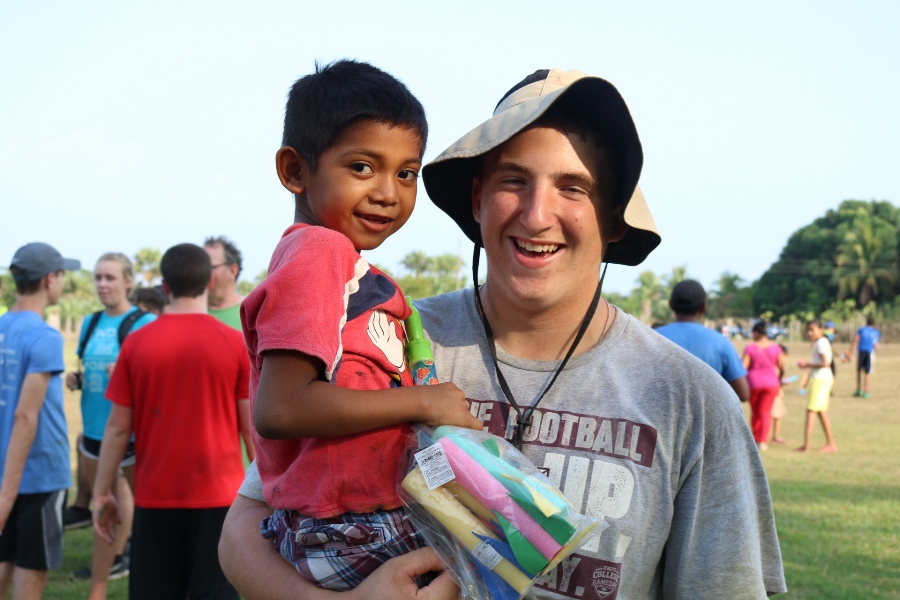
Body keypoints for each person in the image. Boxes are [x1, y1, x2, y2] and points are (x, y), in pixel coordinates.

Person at [220, 68, 786, 598]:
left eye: (574, 188)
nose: (537, 215)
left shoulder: (689, 399)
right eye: (514, 180)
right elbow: (247, 524)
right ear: (477, 199)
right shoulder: (387, 335)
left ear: (614, 219)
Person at [241, 60, 480, 591]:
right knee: (504, 559)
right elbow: (281, 408)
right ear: (295, 171)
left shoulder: (344, 265)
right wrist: (425, 401)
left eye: (406, 173)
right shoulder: (319, 251)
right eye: (362, 167)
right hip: (352, 527)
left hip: (349, 519)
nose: (388, 193)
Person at [92, 243, 254, 600]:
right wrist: (267, 493)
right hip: (221, 500)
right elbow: (251, 430)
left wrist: (102, 491)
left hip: (154, 498)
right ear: (210, 281)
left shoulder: (136, 344)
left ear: (164, 286)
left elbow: (118, 427)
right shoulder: (234, 343)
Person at [62, 253, 156, 595]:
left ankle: (121, 556)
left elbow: (157, 380)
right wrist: (78, 379)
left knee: (129, 497)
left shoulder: (145, 323)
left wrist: (130, 377)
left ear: (128, 282)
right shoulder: (89, 322)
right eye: (99, 277)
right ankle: (109, 563)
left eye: (110, 278)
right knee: (104, 499)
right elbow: (89, 368)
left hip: (129, 431)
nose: (103, 284)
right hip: (92, 428)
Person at [0, 242, 79, 599]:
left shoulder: (3, 326)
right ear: (50, 279)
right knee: (31, 574)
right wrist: (7, 494)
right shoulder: (45, 336)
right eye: (62, 275)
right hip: (38, 477)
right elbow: (24, 415)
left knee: (5, 564)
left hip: (6, 471)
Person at [656, 280, 750, 402]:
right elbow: (743, 394)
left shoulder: (652, 337)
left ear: (671, 305)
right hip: (706, 419)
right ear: (703, 307)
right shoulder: (720, 342)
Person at [795, 319, 838, 453]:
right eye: (808, 330)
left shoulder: (821, 343)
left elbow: (826, 363)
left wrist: (807, 364)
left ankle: (806, 446)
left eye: (812, 330)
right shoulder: (820, 342)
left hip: (820, 379)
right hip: (821, 378)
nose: (809, 333)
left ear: (820, 330)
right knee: (820, 411)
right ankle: (831, 444)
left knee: (811, 411)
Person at [742, 321, 784, 451]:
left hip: (753, 384)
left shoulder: (750, 348)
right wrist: (780, 379)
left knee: (755, 412)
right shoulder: (776, 348)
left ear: (756, 333)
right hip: (771, 383)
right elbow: (781, 366)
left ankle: (755, 437)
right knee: (765, 412)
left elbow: (744, 367)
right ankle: (763, 441)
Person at [204, 236, 245, 330]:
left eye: (209, 267)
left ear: (232, 271)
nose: (202, 272)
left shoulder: (252, 314)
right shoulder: (189, 312)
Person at [846, 316, 880, 398]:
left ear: (866, 323)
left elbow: (856, 340)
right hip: (869, 352)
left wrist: (849, 351)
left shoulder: (861, 329)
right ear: (874, 324)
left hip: (861, 352)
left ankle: (858, 390)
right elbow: (876, 345)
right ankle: (866, 392)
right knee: (868, 372)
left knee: (859, 371)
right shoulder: (876, 332)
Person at [770, 344, 789, 444]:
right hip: (775, 395)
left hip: (779, 395)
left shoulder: (778, 366)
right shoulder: (774, 367)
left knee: (778, 416)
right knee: (772, 416)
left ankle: (775, 436)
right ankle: (769, 437)